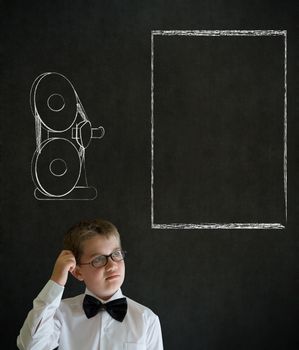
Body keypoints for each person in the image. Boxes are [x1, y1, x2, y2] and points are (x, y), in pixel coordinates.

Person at [17, 218, 163, 350]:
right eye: (98, 259)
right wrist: (56, 281)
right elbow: (30, 346)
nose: (112, 266)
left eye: (116, 254)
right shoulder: (60, 313)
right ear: (78, 272)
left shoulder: (147, 319)